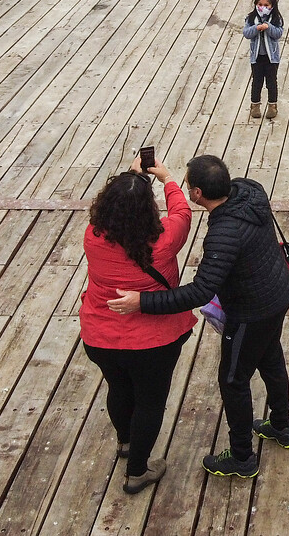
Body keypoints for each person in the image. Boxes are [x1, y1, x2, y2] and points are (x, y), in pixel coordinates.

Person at [108, 154, 289, 479]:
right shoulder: (250, 190)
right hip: (278, 293)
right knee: (270, 358)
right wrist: (165, 178)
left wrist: (143, 302)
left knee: (233, 381)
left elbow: (200, 291)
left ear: (197, 194)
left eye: (187, 184)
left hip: (251, 314)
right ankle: (281, 425)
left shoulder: (223, 234)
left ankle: (242, 458)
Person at [80, 155, 195, 494]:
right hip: (153, 342)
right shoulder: (165, 240)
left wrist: (132, 179)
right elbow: (182, 213)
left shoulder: (93, 236)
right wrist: (167, 179)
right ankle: (137, 472)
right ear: (148, 209)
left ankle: (126, 442)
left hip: (100, 335)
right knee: (149, 402)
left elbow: (123, 207)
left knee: (118, 389)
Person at [243, 0, 284, 119]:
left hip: (271, 58)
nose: (263, 7)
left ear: (272, 5)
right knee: (257, 82)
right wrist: (256, 28)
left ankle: (272, 105)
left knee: (271, 82)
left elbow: (278, 33)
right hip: (257, 58)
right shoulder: (251, 18)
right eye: (260, 4)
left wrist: (268, 27)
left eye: (266, 5)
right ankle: (255, 105)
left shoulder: (276, 18)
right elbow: (246, 33)